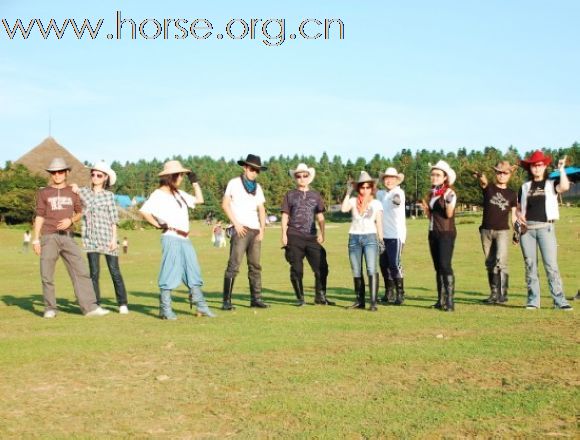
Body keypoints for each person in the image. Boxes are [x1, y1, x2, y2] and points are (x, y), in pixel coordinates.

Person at [32, 158, 109, 318]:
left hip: (68, 237)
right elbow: (39, 216)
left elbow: (80, 211)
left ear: (66, 172)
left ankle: (90, 308)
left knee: (81, 271)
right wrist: (35, 239)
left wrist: (70, 220)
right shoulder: (43, 192)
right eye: (54, 172)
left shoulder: (73, 192)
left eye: (61, 171)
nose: (57, 175)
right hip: (48, 237)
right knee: (46, 274)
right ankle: (50, 309)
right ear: (51, 174)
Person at [140, 160, 216, 319]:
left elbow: (199, 200)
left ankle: (201, 306)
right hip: (171, 237)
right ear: (170, 176)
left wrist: (194, 182)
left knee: (193, 270)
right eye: (180, 175)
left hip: (185, 238)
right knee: (170, 270)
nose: (182, 177)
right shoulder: (158, 194)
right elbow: (145, 211)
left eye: (182, 175)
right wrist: (157, 224)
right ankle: (165, 309)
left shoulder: (179, 194)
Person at [516, 150, 572, 310]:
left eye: (539, 165)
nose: (536, 168)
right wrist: (518, 215)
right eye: (533, 166)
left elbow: (564, 187)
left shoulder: (551, 184)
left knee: (551, 265)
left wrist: (561, 170)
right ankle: (533, 300)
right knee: (530, 265)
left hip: (546, 228)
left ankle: (559, 300)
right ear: (530, 168)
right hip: (527, 231)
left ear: (544, 166)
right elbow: (519, 208)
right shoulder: (524, 187)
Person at [73, 161, 129, 314]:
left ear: (105, 178)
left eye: (99, 175)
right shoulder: (83, 192)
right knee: (94, 273)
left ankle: (122, 303)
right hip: (90, 238)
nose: (95, 177)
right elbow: (73, 193)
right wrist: (75, 189)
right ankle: (95, 303)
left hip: (107, 237)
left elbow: (113, 219)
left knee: (114, 271)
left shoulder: (109, 196)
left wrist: (113, 239)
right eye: (93, 174)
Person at [281, 163, 334, 306]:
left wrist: (322, 233)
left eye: (305, 175)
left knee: (322, 266)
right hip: (294, 235)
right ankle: (300, 299)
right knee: (297, 268)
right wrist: (283, 234)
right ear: (295, 178)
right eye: (298, 176)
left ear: (309, 177)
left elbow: (320, 217)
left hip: (312, 237)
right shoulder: (290, 195)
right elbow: (285, 215)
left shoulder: (315, 195)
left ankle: (320, 297)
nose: (302, 178)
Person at [221, 154, 269, 310]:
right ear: (245, 167)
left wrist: (262, 229)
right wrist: (236, 224)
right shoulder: (234, 183)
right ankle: (226, 301)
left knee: (255, 266)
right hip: (240, 230)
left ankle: (256, 299)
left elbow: (261, 209)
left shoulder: (258, 187)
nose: (254, 172)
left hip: (255, 230)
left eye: (257, 170)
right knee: (234, 265)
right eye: (252, 169)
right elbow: (225, 205)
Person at [473, 161, 518, 304]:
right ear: (496, 173)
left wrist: (516, 232)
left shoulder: (512, 194)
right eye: (499, 172)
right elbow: (483, 181)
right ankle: (493, 294)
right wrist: (480, 176)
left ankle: (502, 294)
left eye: (505, 173)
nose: (502, 175)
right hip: (486, 231)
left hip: (502, 231)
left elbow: (514, 215)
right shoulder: (489, 188)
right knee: (490, 262)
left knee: (501, 262)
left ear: (510, 175)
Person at [341, 171, 384, 311]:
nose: (365, 190)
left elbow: (379, 222)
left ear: (372, 188)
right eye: (362, 187)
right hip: (354, 237)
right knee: (356, 270)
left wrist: (381, 240)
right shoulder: (353, 201)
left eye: (368, 187)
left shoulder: (376, 203)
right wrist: (348, 192)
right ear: (358, 188)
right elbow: (343, 209)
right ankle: (360, 301)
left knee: (371, 268)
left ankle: (373, 302)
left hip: (370, 237)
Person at [422, 160, 457, 312]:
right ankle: (440, 300)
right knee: (437, 267)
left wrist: (449, 202)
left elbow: (449, 214)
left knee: (445, 265)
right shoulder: (432, 194)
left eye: (438, 175)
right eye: (433, 174)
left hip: (446, 233)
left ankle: (449, 302)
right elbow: (432, 216)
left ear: (445, 178)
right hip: (433, 232)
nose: (434, 177)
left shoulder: (449, 193)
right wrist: (426, 210)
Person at [376, 167, 407, 305]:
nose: (388, 180)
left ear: (396, 180)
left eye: (391, 178)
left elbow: (397, 200)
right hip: (383, 235)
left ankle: (400, 293)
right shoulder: (381, 194)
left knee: (394, 263)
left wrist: (396, 200)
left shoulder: (398, 192)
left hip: (396, 234)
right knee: (383, 264)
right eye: (386, 178)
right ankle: (389, 292)